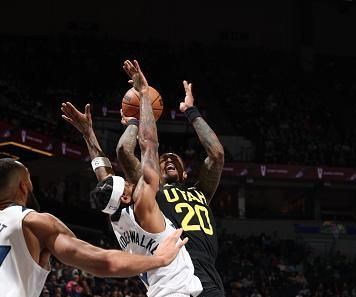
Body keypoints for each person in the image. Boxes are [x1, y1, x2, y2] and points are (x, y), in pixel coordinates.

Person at [61, 59, 203, 297]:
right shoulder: (144, 206)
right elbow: (149, 145)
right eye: (125, 183)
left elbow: (102, 173)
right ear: (127, 196)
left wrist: (88, 134)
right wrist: (144, 94)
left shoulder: (116, 218)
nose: (129, 181)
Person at [0, 158, 187, 297]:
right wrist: (161, 259)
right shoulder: (34, 222)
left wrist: (90, 137)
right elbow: (104, 262)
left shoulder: (118, 211)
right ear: (23, 186)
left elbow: (106, 180)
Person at [119, 68, 225, 296]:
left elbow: (216, 154)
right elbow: (125, 152)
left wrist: (191, 111)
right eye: (163, 159)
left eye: (173, 159)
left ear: (185, 174)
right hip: (177, 272)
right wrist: (133, 122)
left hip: (210, 274)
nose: (167, 159)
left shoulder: (201, 192)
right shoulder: (152, 191)